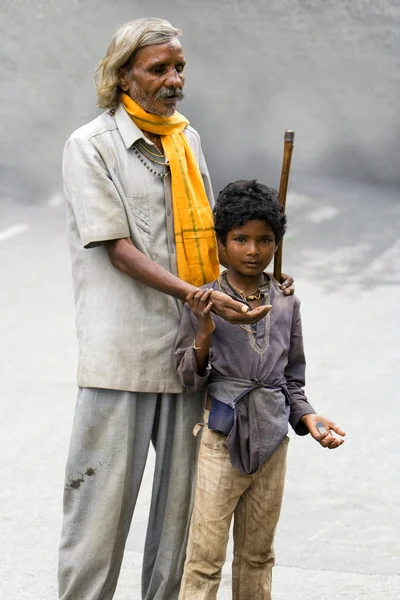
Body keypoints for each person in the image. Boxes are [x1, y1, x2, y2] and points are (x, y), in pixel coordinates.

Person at [58, 18, 295, 600]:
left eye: (178, 67)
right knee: (98, 517)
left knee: (180, 524)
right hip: (123, 358)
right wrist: (199, 295)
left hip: (195, 353)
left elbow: (218, 239)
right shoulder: (92, 145)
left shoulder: (185, 139)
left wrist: (260, 277)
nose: (173, 79)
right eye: (158, 69)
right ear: (122, 76)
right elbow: (116, 248)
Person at [174, 179, 346, 600]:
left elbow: (291, 378)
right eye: (241, 239)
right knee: (204, 558)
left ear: (277, 243)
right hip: (221, 437)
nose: (253, 250)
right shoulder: (204, 299)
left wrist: (309, 417)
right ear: (221, 243)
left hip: (272, 441)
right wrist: (204, 330)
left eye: (265, 239)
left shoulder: (287, 301)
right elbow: (186, 376)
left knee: (257, 557)